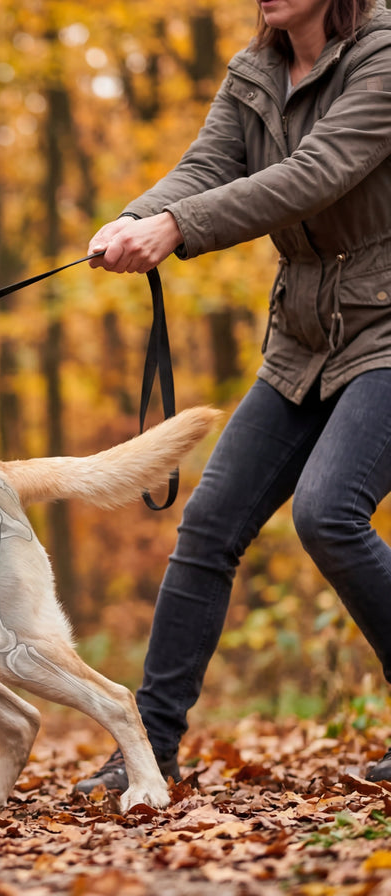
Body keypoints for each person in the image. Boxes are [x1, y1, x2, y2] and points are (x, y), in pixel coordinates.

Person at [77, 0, 391, 795]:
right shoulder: (255, 70)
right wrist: (137, 217)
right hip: (303, 339)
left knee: (328, 512)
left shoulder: (383, 55)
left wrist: (178, 227)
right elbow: (206, 165)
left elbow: (315, 173)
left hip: (387, 326)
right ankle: (149, 748)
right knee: (209, 525)